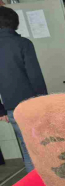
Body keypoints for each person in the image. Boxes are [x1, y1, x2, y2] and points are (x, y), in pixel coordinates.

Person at [0, 6, 48, 173]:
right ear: (15, 23)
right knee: (42, 146)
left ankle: (35, 184)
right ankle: (48, 183)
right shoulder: (23, 44)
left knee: (27, 148)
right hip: (32, 105)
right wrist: (44, 101)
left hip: (12, 108)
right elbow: (35, 76)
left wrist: (1, 110)